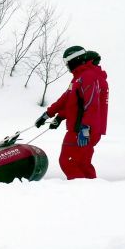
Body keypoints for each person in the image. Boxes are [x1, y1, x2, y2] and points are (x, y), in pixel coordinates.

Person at [35, 45, 109, 180]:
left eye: (67, 62)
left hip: (81, 129)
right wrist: (51, 115)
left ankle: (79, 190)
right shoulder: (80, 76)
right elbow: (68, 100)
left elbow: (91, 105)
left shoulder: (88, 76)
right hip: (84, 128)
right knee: (82, 164)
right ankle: (92, 190)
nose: (67, 66)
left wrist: (85, 128)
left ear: (75, 59)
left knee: (67, 162)